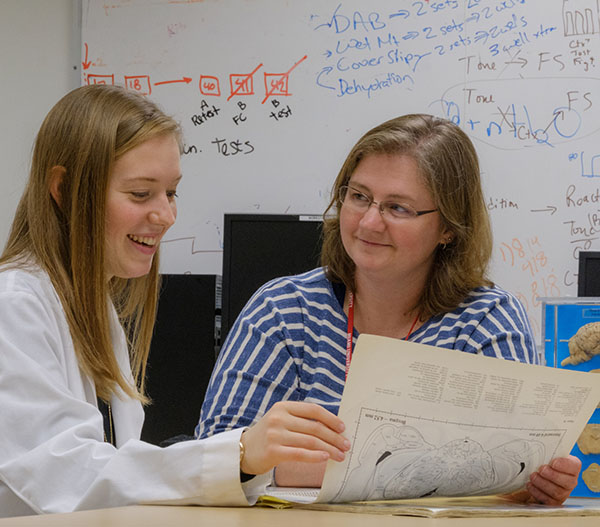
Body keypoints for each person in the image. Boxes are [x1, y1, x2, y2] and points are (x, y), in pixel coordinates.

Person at [0, 84, 349, 517]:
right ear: (65, 188)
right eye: (141, 194)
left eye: (171, 193)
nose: (165, 216)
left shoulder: (93, 308)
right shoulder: (14, 306)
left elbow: (118, 477)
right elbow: (68, 478)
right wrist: (238, 453)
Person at [198, 114, 581, 505]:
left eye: (398, 208)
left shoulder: (487, 320)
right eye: (359, 196)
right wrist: (433, 469)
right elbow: (213, 461)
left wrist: (535, 484)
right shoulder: (282, 309)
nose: (368, 222)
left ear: (449, 227)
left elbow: (507, 470)